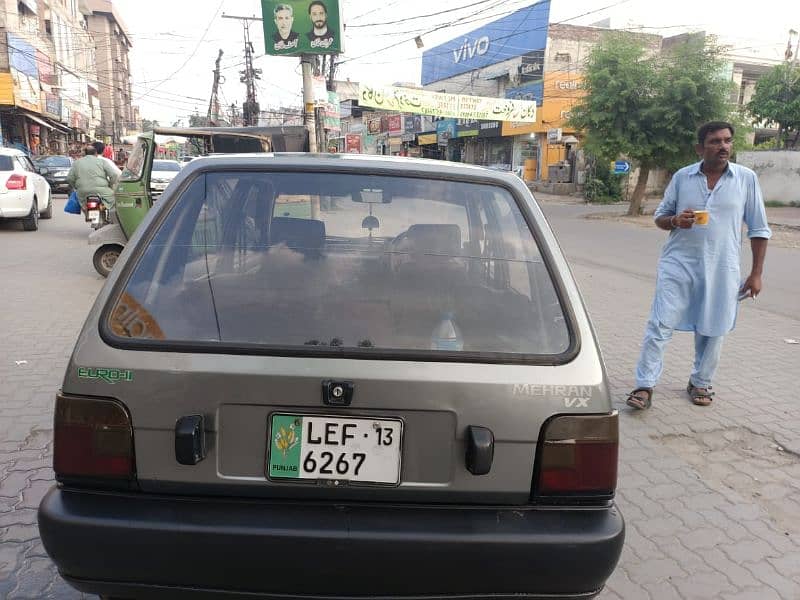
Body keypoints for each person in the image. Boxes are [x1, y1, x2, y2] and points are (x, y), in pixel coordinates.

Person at [626, 121, 771, 410]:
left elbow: (759, 229)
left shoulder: (746, 179)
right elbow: (660, 217)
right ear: (700, 148)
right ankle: (644, 385)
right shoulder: (683, 177)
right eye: (715, 141)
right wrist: (676, 221)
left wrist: (756, 274)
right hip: (678, 265)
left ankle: (701, 382)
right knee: (660, 324)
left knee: (713, 328)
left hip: (722, 268)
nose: (723, 146)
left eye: (727, 141)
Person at [66, 145, 121, 210]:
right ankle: (103, 208)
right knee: (113, 198)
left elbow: (69, 178)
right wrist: (111, 185)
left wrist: (77, 187)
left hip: (83, 191)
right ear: (96, 153)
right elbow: (114, 175)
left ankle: (86, 212)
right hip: (102, 191)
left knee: (83, 204)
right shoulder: (102, 162)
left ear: (85, 154)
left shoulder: (77, 163)